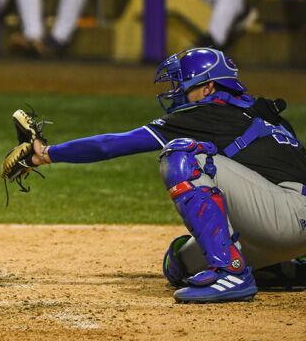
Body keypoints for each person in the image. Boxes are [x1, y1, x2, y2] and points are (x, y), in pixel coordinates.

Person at [16, 47, 306, 303]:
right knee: (179, 263)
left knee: (181, 155)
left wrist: (46, 154)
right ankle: (286, 268)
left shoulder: (204, 114)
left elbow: (112, 144)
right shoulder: (265, 114)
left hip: (284, 218)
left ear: (208, 88)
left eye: (184, 85)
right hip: (286, 224)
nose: (178, 92)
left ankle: (230, 274)